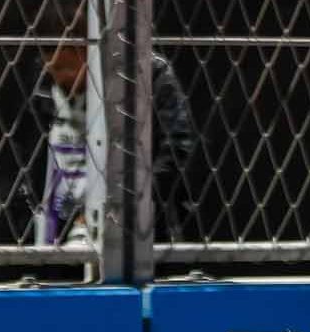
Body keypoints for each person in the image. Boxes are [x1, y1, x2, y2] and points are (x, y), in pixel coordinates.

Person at [33, 33, 198, 247]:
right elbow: (27, 157)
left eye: (69, 68)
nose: (63, 78)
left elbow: (176, 146)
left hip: (134, 232)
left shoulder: (148, 72)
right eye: (56, 68)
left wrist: (125, 208)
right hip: (57, 230)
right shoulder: (43, 80)